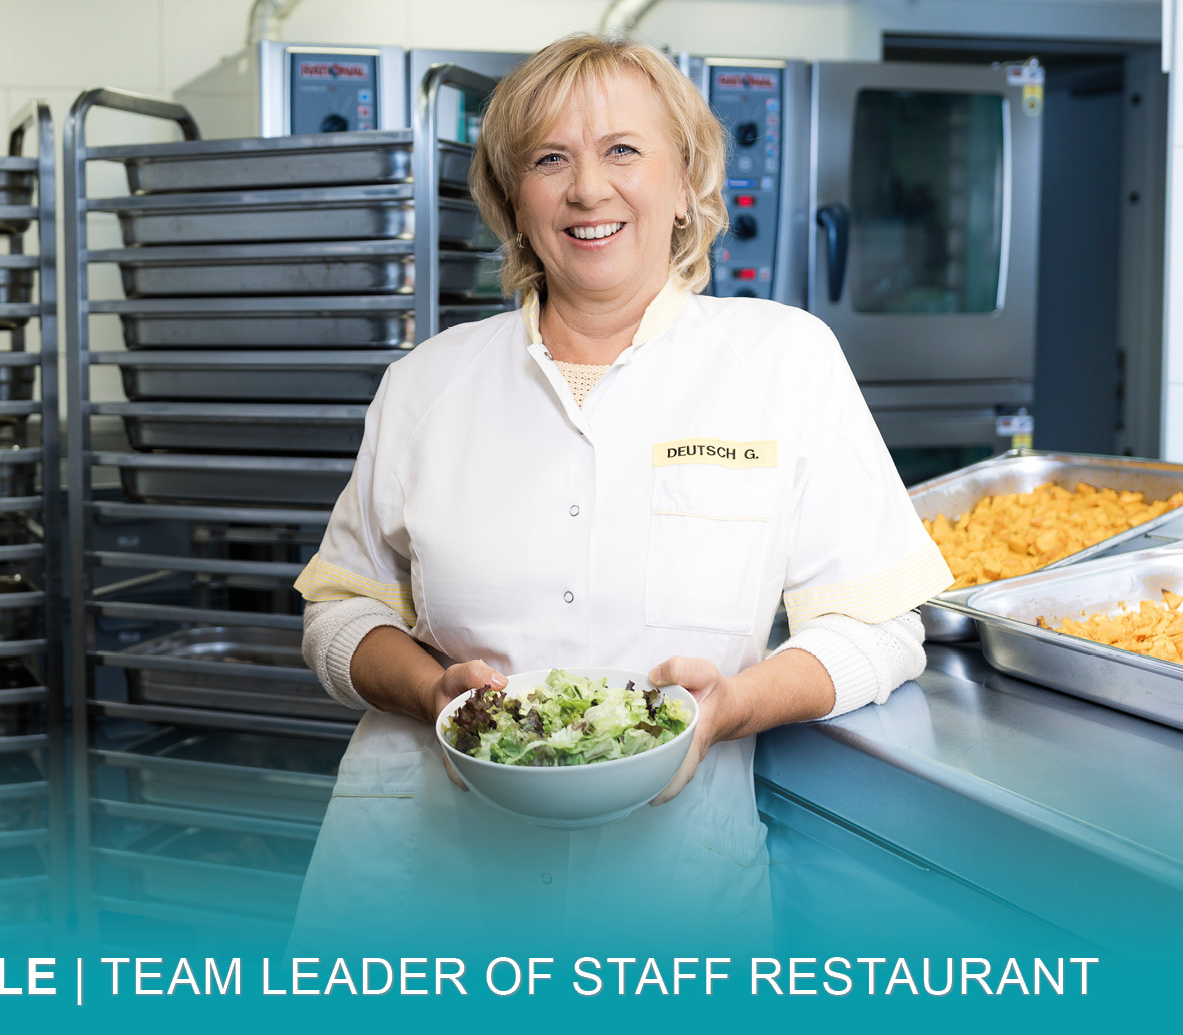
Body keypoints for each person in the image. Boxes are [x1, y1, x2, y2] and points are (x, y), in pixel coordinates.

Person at [289, 33, 952, 950]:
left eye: (622, 152)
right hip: (419, 886)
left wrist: (732, 708)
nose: (587, 189)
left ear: (686, 184)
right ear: (514, 201)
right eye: (549, 158)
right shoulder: (427, 383)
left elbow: (879, 629)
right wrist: (432, 690)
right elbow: (337, 619)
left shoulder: (782, 359)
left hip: (672, 897)